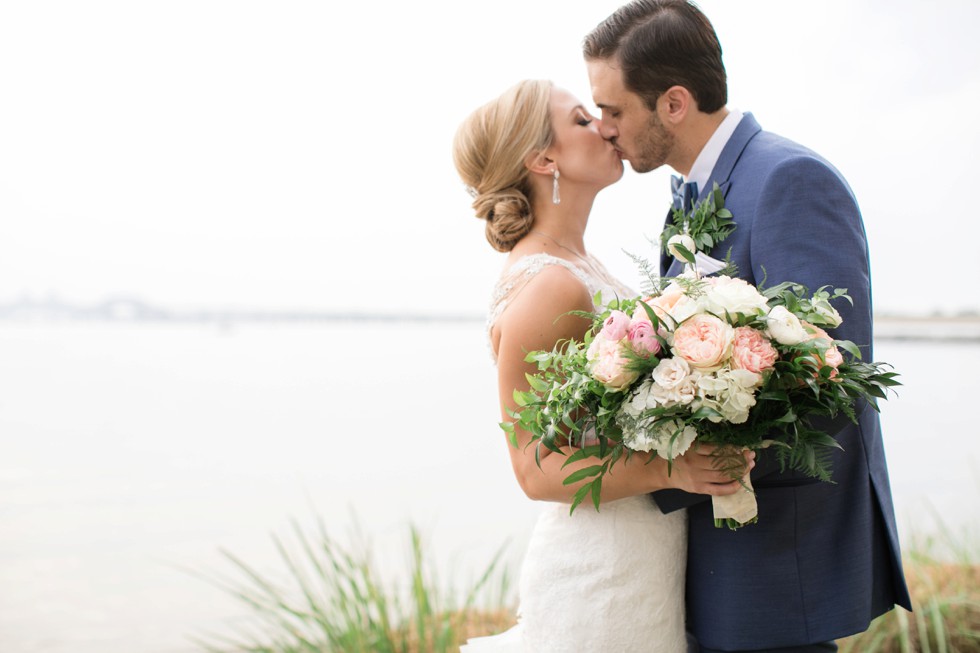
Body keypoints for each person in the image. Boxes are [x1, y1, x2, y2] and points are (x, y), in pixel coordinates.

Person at [582, 2, 912, 651]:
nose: (603, 127)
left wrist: (683, 460)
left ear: (673, 103)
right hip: (710, 555)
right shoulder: (688, 194)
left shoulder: (789, 179)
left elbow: (831, 378)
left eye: (613, 109)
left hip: (775, 560)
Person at [453, 79, 754, 653]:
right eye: (581, 121)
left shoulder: (579, 262)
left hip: (643, 555)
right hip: (601, 573)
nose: (606, 126)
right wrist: (673, 470)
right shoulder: (550, 285)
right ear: (544, 158)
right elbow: (534, 468)